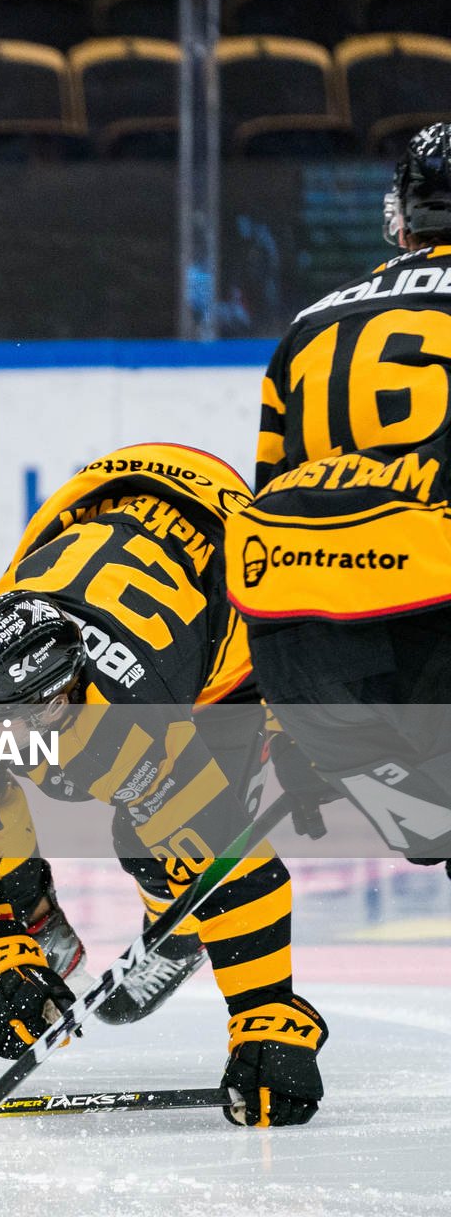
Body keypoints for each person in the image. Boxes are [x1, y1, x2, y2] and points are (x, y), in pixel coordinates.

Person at [0, 445, 327, 1128]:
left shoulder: (134, 735)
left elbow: (236, 875)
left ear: (57, 705)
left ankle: (175, 931)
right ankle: (38, 933)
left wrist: (267, 1021)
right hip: (118, 493)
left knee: (167, 852)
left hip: (233, 646)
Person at [229, 122, 451, 875]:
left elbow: (271, 500)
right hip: (434, 619)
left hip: (300, 651)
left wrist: (294, 721)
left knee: (434, 832)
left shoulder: (309, 323)